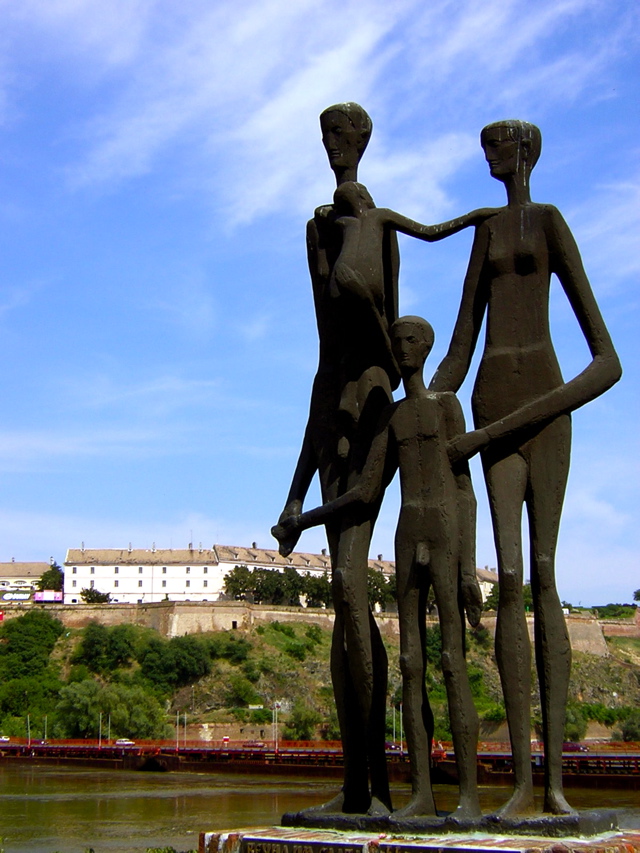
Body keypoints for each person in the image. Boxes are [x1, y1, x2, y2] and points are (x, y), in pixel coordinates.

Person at [274, 103, 491, 816]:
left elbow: (379, 320)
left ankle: (383, 786)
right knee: (342, 598)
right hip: (332, 403)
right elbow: (321, 352)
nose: (333, 146)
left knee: (348, 585)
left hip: (369, 408)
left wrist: (359, 257)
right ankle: (360, 782)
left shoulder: (375, 224)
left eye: (345, 136)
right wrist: (295, 489)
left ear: (362, 144)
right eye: (327, 136)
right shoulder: (316, 229)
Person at [429, 120, 622, 817]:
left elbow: (607, 358)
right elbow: (457, 346)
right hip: (492, 402)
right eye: (484, 145)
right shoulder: (483, 234)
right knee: (508, 578)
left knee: (543, 573)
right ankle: (516, 782)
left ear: (527, 153)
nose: (489, 155)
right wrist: (421, 402)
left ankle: (557, 783)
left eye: (499, 146)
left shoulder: (548, 223)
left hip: (543, 408)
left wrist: (519, 419)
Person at [274, 316, 483, 820]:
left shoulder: (446, 407)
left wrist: (469, 568)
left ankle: (469, 799)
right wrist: (302, 517)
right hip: (407, 536)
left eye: (410, 341)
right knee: (412, 666)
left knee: (451, 661)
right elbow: (366, 491)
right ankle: (420, 795)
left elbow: (465, 491)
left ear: (426, 347)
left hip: (445, 534)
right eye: (398, 342)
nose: (403, 349)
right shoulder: (393, 419)